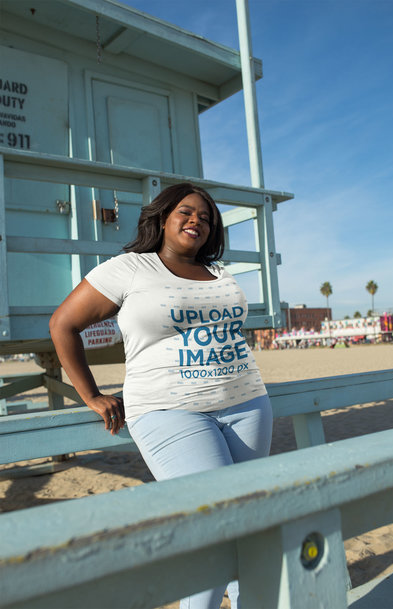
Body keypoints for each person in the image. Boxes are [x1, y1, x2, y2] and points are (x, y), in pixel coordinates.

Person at [50, 182, 273, 609]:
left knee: (246, 524)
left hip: (247, 404)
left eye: (206, 218)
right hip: (171, 412)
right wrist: (91, 394)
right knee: (210, 528)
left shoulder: (219, 272)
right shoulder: (130, 268)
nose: (197, 221)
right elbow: (63, 324)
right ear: (162, 216)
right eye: (186, 212)